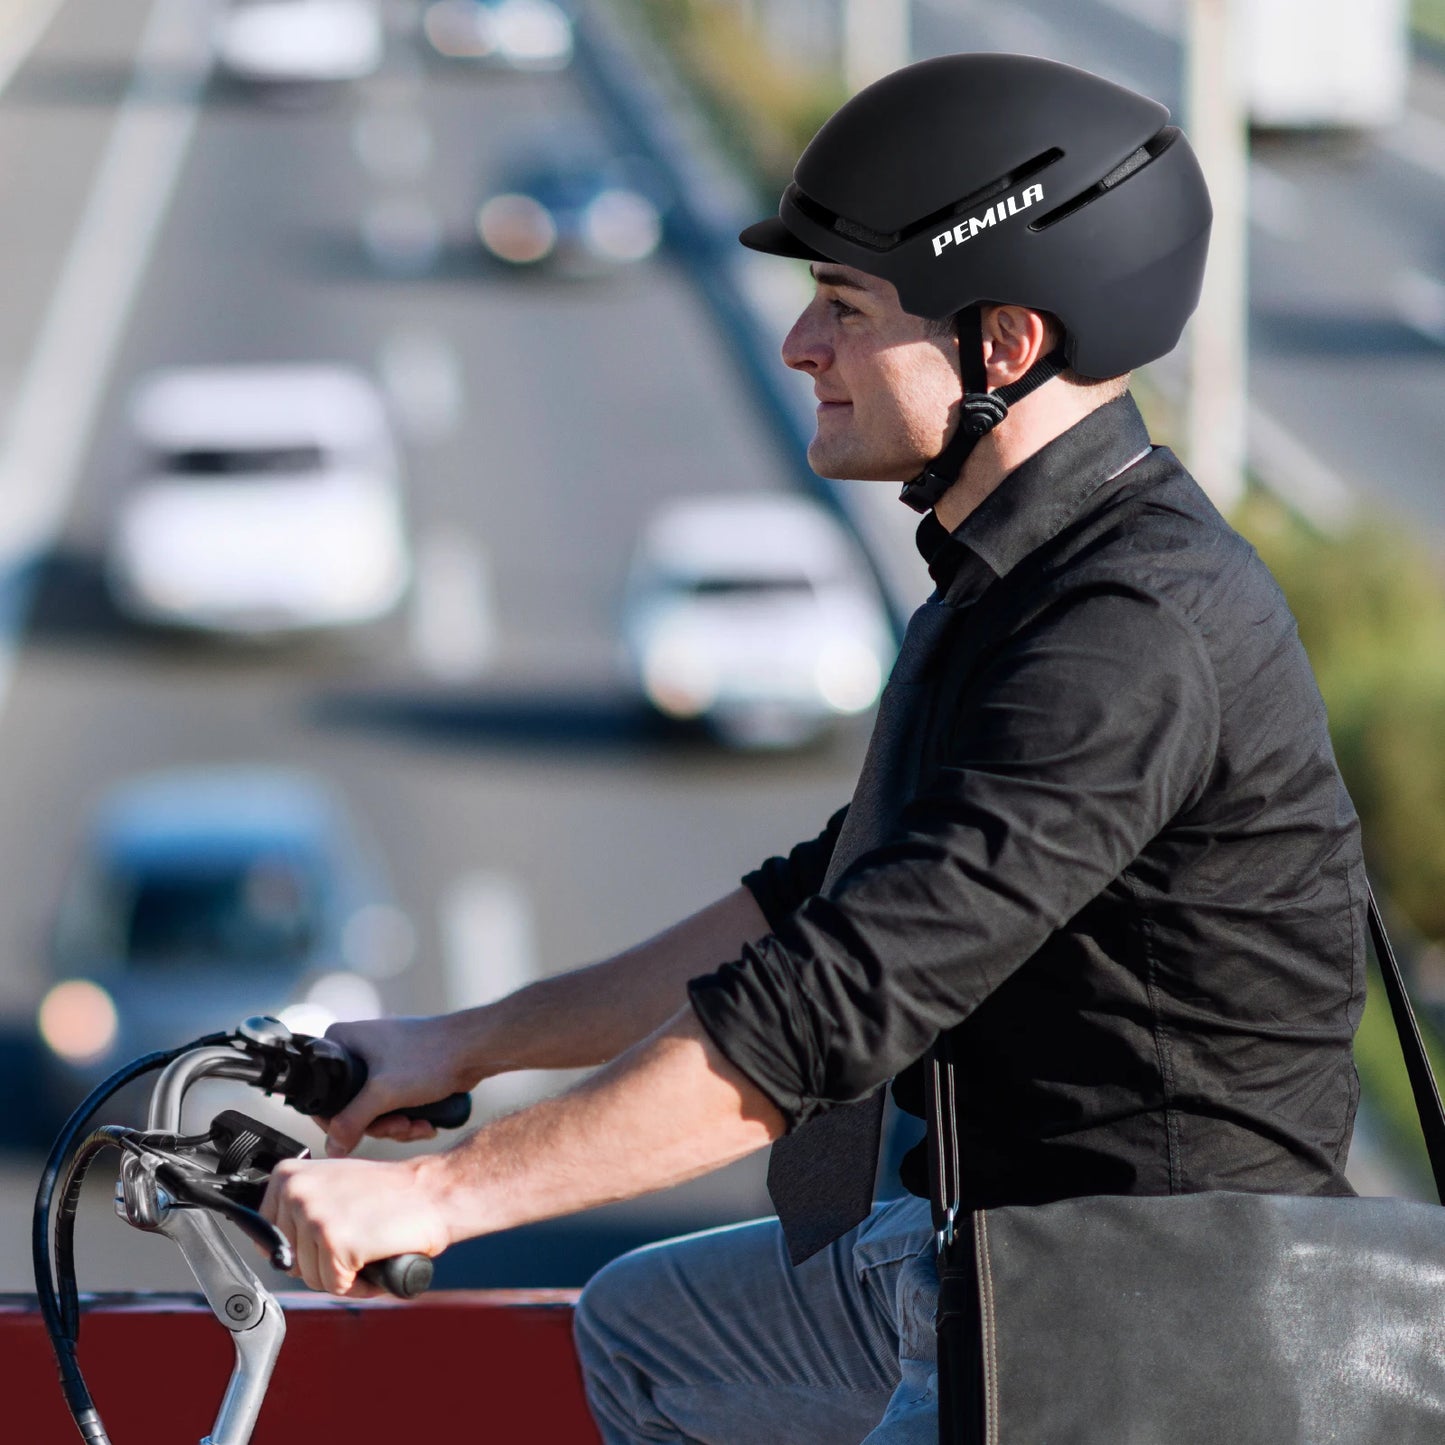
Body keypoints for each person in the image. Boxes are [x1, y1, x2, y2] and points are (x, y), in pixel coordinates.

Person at [261, 53, 1366, 1444]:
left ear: (1002, 344)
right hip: (968, 1252)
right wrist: (452, 1043)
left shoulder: (1129, 629)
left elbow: (829, 1006)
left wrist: (443, 1192)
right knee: (651, 1336)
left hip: (1144, 1325)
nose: (798, 346)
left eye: (843, 308)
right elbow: (810, 902)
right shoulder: (1017, 573)